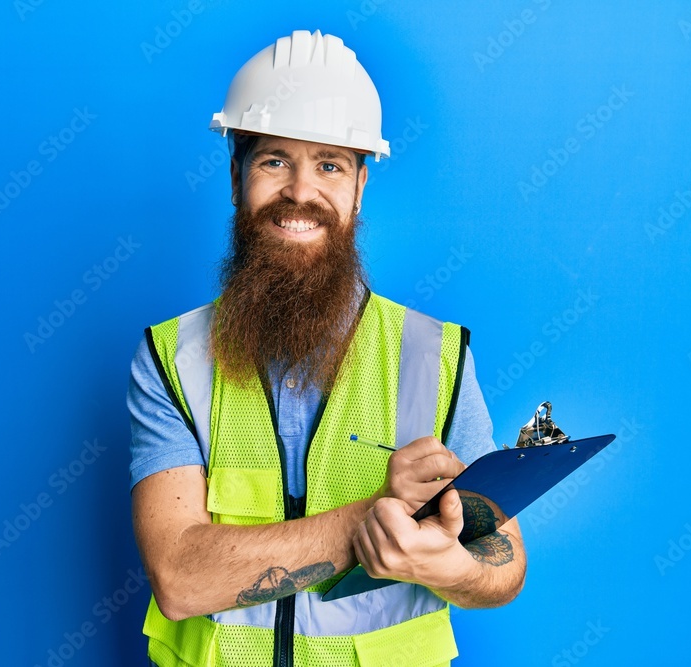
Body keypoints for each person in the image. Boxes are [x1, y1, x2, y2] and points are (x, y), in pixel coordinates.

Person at [128, 29, 526, 667]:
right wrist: (369, 522)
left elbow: (503, 565)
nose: (300, 192)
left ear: (360, 185)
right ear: (237, 178)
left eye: (330, 164)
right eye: (274, 160)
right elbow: (179, 580)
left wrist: (449, 565)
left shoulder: (433, 354)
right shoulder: (171, 358)